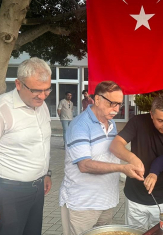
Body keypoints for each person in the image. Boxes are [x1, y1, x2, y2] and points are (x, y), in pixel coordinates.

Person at [0, 57, 53, 235]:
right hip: (8, 191)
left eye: (47, 89)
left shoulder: (42, 106)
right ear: (18, 84)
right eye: (36, 90)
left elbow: (43, 142)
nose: (42, 96)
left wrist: (46, 173)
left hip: (37, 188)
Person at [60, 81, 144, 235]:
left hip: (106, 200)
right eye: (112, 103)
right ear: (97, 99)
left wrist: (132, 159)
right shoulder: (80, 125)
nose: (117, 109)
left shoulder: (110, 123)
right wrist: (122, 168)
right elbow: (84, 165)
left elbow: (112, 151)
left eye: (119, 104)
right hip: (83, 204)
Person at [110, 94, 163, 230]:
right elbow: (115, 145)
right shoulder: (137, 122)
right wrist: (132, 158)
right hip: (134, 197)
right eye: (160, 120)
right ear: (151, 114)